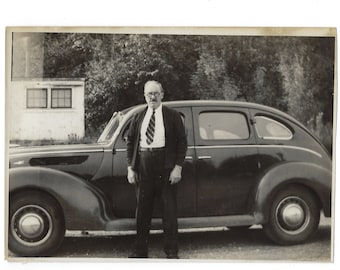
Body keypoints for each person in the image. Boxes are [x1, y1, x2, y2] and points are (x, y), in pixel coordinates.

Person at [126, 80, 187, 259]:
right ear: (144, 96)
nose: (152, 97)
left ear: (162, 95)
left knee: (168, 209)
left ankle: (171, 250)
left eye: (156, 93)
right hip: (144, 164)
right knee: (143, 209)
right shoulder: (138, 117)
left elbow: (182, 142)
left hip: (166, 165)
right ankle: (140, 250)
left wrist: (177, 167)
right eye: (149, 94)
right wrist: (131, 167)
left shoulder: (172, 116)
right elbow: (130, 142)